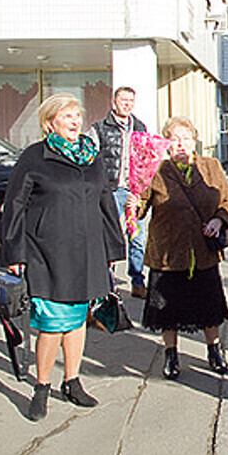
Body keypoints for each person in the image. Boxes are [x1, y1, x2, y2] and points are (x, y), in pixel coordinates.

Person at [1, 93, 126, 421]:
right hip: (47, 251)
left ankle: (72, 381)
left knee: (78, 319)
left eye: (77, 115)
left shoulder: (90, 155)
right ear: (50, 122)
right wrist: (14, 251)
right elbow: (14, 204)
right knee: (53, 322)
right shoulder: (34, 157)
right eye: (67, 115)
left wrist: (111, 249)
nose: (75, 121)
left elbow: (105, 201)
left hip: (87, 251)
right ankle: (41, 387)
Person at [135, 116, 228, 380]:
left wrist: (219, 220)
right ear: (166, 143)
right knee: (168, 310)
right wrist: (133, 202)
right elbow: (140, 207)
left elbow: (227, 202)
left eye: (186, 138)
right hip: (168, 251)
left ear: (195, 141)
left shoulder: (211, 166)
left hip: (202, 251)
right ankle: (171, 354)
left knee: (209, 307)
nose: (181, 144)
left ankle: (214, 350)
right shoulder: (156, 169)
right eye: (175, 139)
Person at [91, 86, 149, 299]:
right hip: (111, 191)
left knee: (137, 236)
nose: (127, 104)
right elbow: (93, 160)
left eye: (130, 100)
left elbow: (145, 159)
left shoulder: (140, 126)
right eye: (123, 100)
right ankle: (106, 283)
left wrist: (141, 188)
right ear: (114, 101)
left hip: (134, 191)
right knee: (109, 235)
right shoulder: (100, 128)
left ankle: (138, 280)